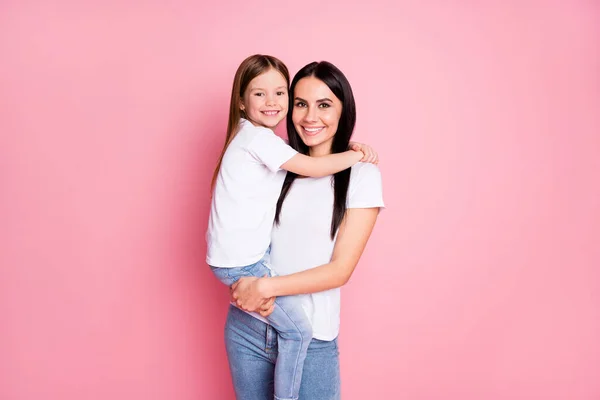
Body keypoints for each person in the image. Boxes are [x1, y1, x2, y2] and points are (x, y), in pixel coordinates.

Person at [207, 54, 377, 400]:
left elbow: (340, 270)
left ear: (344, 110)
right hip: (248, 327)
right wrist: (246, 284)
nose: (310, 116)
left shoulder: (361, 176)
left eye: (324, 104)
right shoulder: (279, 163)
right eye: (301, 103)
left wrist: (264, 287)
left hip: (311, 335)